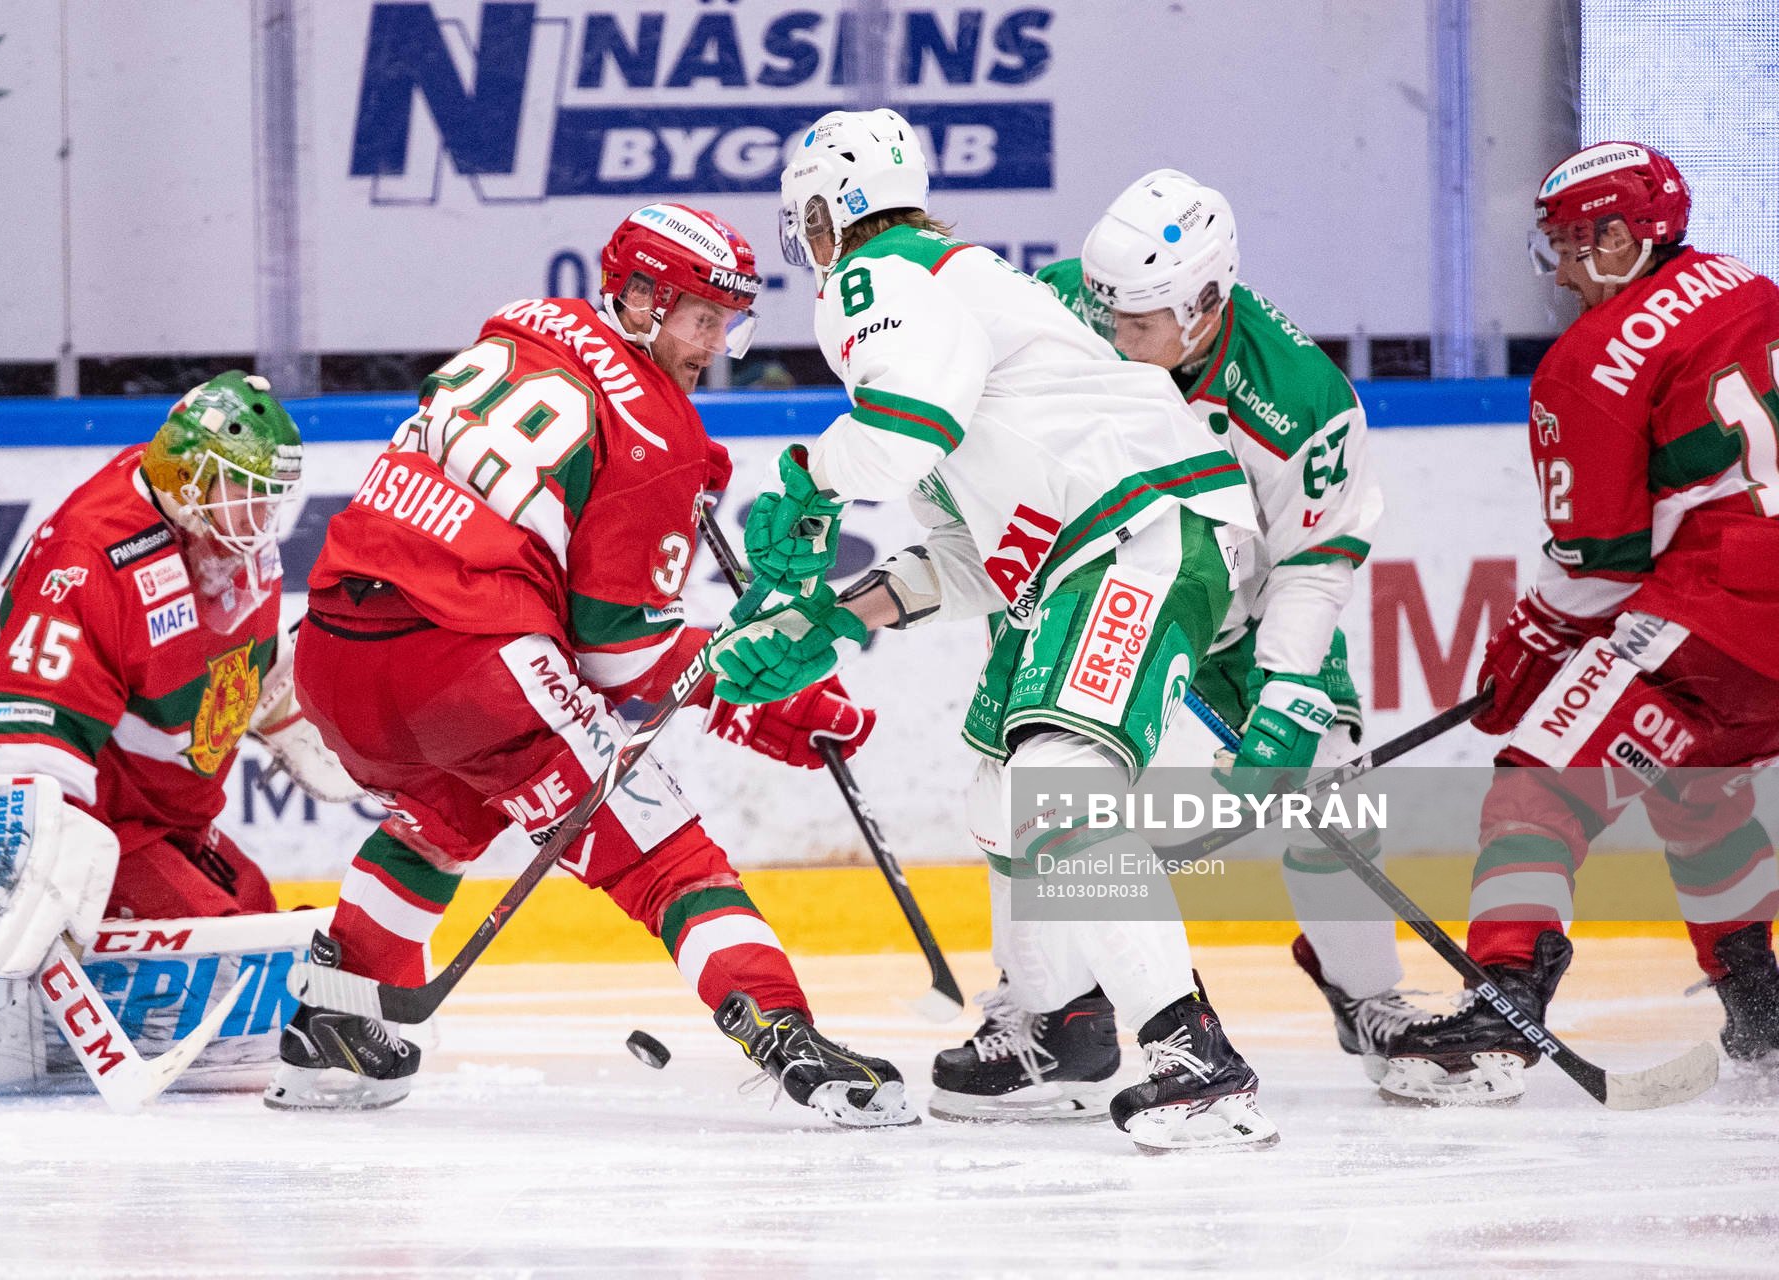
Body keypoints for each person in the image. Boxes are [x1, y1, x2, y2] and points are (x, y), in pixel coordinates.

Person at [272, 202, 909, 1127]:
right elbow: (622, 661)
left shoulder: (525, 328)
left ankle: (337, 1017)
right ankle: (785, 1030)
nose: (716, 345)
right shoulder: (656, 433)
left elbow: (546, 593)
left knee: (455, 801)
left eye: (729, 321)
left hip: (332, 651)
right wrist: (762, 696)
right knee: (665, 853)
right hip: (467, 666)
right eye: (702, 317)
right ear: (642, 298)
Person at [713, 108, 1278, 1151]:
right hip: (1095, 547)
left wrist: (807, 477)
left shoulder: (877, 278)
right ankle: (1061, 1032)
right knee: (1000, 791)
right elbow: (979, 554)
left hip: (1138, 533)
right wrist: (842, 614)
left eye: (810, 219)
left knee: (1055, 788)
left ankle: (1196, 1057)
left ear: (831, 211)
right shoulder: (952, 311)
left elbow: (901, 434)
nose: (810, 243)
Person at [1382, 141, 1779, 1103]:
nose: (1560, 272)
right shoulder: (1752, 289)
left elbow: (1601, 563)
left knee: (1541, 784)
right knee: (1698, 781)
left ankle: (1502, 1008)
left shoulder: (1592, 360)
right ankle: (1761, 1003)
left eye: (1570, 245)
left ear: (1622, 235)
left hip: (1718, 614)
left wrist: (1527, 645)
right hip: (1751, 626)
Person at [1029, 171, 1423, 1087]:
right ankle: (1051, 1002)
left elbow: (1314, 559)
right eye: (1107, 314)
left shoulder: (1301, 397)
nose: (1114, 337)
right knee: (1049, 781)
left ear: (1205, 304)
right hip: (1101, 591)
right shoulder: (1062, 303)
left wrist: (1285, 688)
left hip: (1237, 615)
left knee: (1327, 784)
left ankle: (1368, 996)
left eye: (1138, 324)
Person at [0, 371, 359, 1095]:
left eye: (269, 497)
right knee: (225, 964)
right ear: (188, 477)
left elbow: (213, 653)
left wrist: (277, 701)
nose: (262, 516)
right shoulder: (93, 556)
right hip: (55, 790)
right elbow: (24, 727)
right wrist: (33, 853)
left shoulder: (223, 533)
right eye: (245, 491)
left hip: (149, 803)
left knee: (256, 920)